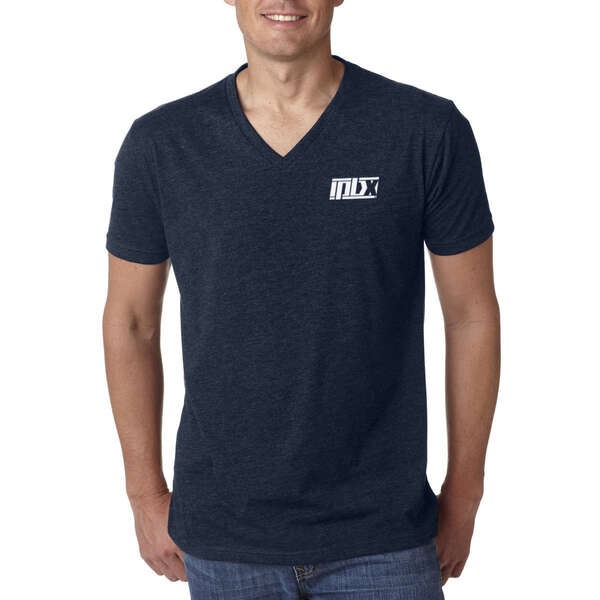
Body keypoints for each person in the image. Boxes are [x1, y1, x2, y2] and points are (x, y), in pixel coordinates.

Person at [102, 1, 501, 598]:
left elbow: (471, 316)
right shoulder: (162, 143)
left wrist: (465, 493)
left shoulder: (425, 129)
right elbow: (131, 322)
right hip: (224, 538)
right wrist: (144, 493)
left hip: (385, 535)